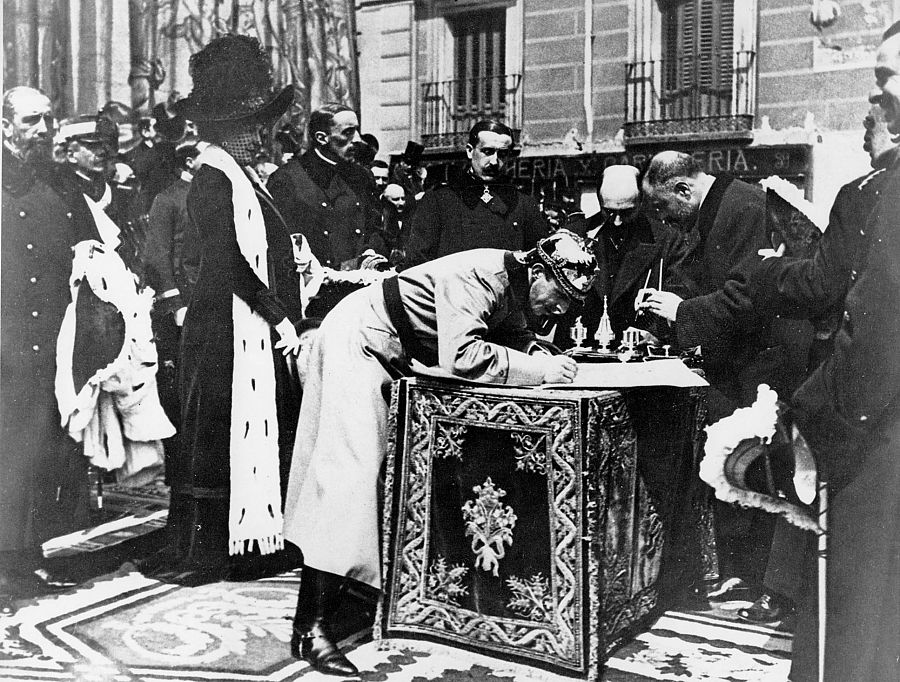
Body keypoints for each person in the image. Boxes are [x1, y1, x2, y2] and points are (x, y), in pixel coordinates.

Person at [282, 230, 597, 675]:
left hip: (393, 347)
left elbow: (510, 330)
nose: (562, 308)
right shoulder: (481, 276)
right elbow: (465, 357)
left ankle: (357, 591)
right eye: (560, 294)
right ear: (539, 271)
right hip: (360, 338)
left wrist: (532, 349)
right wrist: (542, 367)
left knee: (387, 473)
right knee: (349, 475)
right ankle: (309, 629)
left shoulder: (515, 279)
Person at [766, 22, 900, 682]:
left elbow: (878, 324)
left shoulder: (884, 192)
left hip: (880, 433)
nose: (878, 100)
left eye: (886, 82)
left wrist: (812, 410)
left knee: (856, 610)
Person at [740, 104, 899, 625]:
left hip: (861, 389)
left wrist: (769, 273)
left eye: (870, 125)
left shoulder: (870, 193)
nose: (863, 137)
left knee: (851, 576)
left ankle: (786, 593)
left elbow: (832, 290)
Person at [161, 34, 305, 585]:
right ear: (226, 130)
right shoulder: (211, 179)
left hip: (244, 327)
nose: (261, 138)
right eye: (251, 129)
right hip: (223, 334)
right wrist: (278, 314)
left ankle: (255, 542)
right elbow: (227, 264)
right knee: (217, 436)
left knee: (251, 433)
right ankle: (217, 550)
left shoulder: (243, 178)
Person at [639, 151, 809, 601]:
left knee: (764, 471)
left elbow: (748, 296)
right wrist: (666, 308)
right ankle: (745, 573)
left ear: (683, 190)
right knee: (736, 466)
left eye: (661, 207)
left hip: (767, 368)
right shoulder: (718, 207)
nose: (661, 218)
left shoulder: (744, 206)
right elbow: (710, 279)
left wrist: (682, 311)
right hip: (741, 366)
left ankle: (768, 584)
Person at [0, 86, 101, 605]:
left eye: (47, 120)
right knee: (9, 452)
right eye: (32, 122)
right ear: (5, 126)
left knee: (42, 450)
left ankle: (27, 554)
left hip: (51, 341)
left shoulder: (59, 182)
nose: (42, 130)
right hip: (5, 338)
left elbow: (89, 245)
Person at [554, 164, 694, 348]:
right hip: (578, 351)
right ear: (599, 199)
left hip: (638, 354)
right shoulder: (571, 235)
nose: (617, 221)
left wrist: (656, 333)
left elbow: (679, 295)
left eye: (627, 212)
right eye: (609, 211)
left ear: (642, 200)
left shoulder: (670, 241)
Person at [404, 120, 550, 268]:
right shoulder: (439, 199)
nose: (494, 161)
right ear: (469, 151)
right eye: (487, 151)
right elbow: (418, 261)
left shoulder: (523, 203)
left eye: (503, 154)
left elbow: (540, 262)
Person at [267, 103, 385, 271]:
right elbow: (281, 245)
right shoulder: (286, 180)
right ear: (322, 138)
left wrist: (372, 254)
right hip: (316, 285)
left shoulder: (362, 176)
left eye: (357, 130)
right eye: (348, 132)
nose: (358, 139)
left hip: (364, 279)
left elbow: (375, 227)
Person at [143, 143, 201, 480]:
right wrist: (175, 303)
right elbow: (156, 255)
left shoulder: (209, 195)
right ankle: (180, 469)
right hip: (181, 307)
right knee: (179, 387)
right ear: (190, 162)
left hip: (208, 302)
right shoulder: (167, 199)